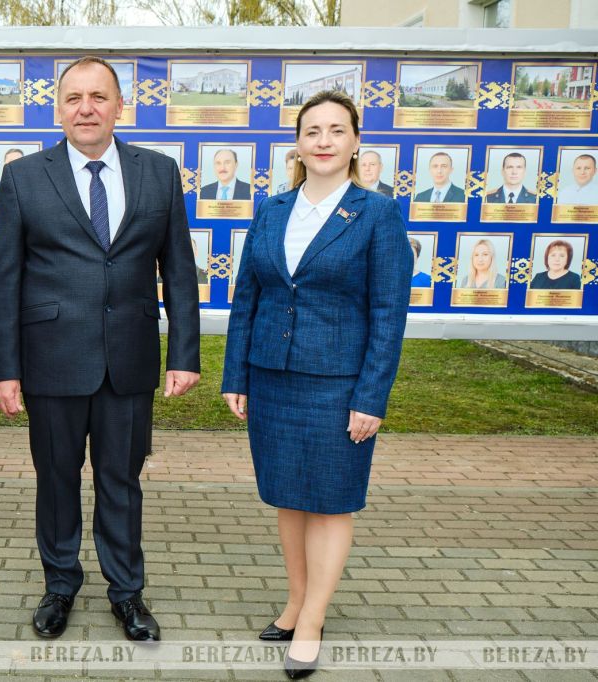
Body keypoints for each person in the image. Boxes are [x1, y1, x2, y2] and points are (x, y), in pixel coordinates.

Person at [0, 56, 200, 643]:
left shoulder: (158, 172)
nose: (86, 108)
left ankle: (127, 593)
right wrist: (3, 369)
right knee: (55, 479)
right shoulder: (25, 177)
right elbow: (3, 280)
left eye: (99, 97)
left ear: (119, 106)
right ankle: (60, 585)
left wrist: (184, 353)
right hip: (50, 360)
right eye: (74, 97)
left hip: (128, 360)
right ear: (57, 108)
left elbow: (178, 271)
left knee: (121, 481)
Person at [221, 90, 412, 680]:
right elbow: (248, 297)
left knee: (329, 502)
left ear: (356, 141)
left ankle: (312, 621)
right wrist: (237, 374)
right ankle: (295, 601)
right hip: (272, 378)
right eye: (312, 131)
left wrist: (370, 396)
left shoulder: (377, 214)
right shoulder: (273, 210)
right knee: (287, 496)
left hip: (338, 385)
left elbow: (388, 313)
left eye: (336, 130)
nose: (324, 141)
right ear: (297, 144)